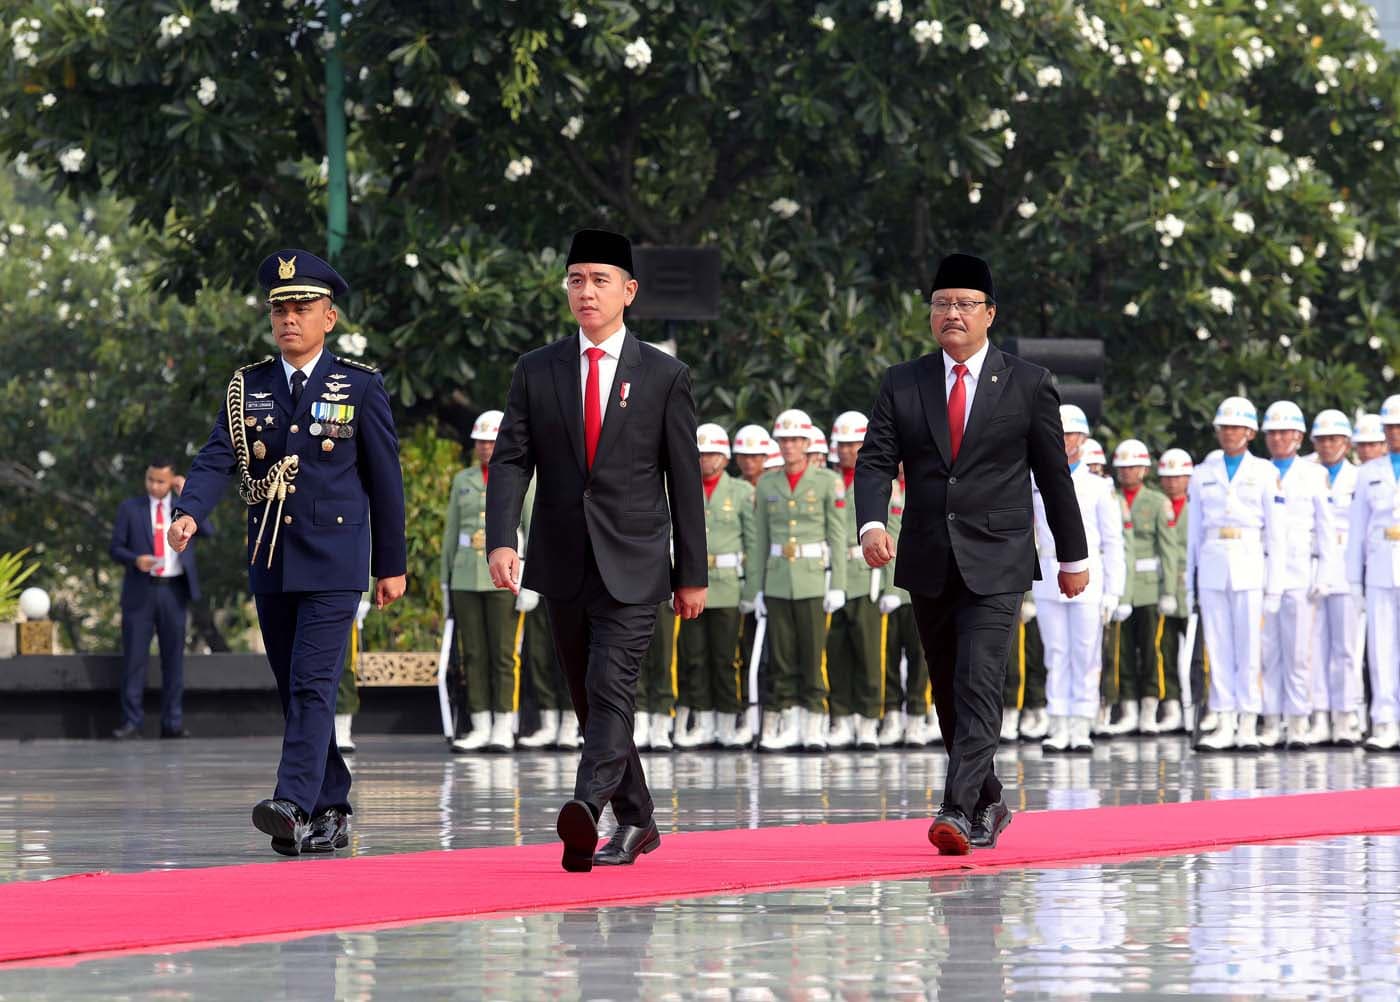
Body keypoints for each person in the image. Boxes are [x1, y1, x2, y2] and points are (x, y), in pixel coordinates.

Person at [169, 248, 407, 855]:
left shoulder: (358, 385)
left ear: (329, 317)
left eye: (301, 307)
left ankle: (292, 802)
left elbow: (386, 480)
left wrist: (391, 564)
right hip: (272, 558)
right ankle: (331, 807)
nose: (289, 319)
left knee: (311, 682)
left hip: (334, 561)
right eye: (280, 309)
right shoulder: (249, 385)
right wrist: (190, 510)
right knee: (296, 686)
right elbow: (219, 453)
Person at [485, 229, 707, 872]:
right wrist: (504, 537)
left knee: (611, 688)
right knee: (589, 696)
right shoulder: (537, 368)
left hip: (636, 563)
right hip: (560, 561)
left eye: (600, 280)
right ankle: (637, 820)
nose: (586, 291)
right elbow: (510, 461)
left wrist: (690, 573)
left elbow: (684, 480)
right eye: (576, 279)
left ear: (628, 292)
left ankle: (585, 810)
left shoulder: (665, 375)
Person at [855, 253, 1089, 855]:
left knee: (979, 681)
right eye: (941, 304)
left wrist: (1072, 556)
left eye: (964, 304)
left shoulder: (1028, 382)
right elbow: (878, 459)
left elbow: (1052, 476)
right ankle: (988, 800)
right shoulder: (902, 382)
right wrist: (872, 523)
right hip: (930, 555)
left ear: (989, 314)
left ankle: (956, 809)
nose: (951, 314)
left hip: (1000, 558)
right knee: (946, 689)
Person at [742, 408, 847, 752]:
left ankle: (814, 721)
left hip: (813, 578)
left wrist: (838, 585)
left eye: (794, 440)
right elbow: (758, 541)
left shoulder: (826, 482)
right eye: (783, 440)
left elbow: (837, 534)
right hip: (776, 580)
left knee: (813, 655)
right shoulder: (768, 483)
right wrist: (755, 588)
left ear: (806, 443)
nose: (788, 447)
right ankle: (785, 719)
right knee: (781, 657)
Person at [1187, 396, 1287, 752]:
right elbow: (1193, 536)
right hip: (1213, 565)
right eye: (1224, 427)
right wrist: (1190, 584)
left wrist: (1275, 586)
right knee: (1218, 646)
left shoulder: (1264, 472)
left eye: (1236, 428)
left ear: (1249, 432)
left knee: (1249, 648)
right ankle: (1225, 718)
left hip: (1249, 565)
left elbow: (1276, 535)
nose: (1229, 433)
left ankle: (1247, 720)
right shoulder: (1202, 473)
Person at [1033, 405, 1124, 754]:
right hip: (1047, 573)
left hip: (1089, 575)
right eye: (1060, 433)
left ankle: (1082, 722)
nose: (1065, 440)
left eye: (1072, 434)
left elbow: (1113, 541)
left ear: (1083, 440)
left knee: (1086, 653)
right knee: (1055, 653)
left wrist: (1114, 591)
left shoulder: (1099, 486)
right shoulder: (1035, 478)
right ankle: (1057, 721)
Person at [442, 410, 528, 753]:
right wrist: (446, 580)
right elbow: (451, 533)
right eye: (480, 441)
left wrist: (531, 580)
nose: (485, 448)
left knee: (504, 654)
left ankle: (504, 724)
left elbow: (534, 528)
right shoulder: (463, 480)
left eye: (491, 442)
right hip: (465, 574)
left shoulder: (522, 477)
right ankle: (480, 722)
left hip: (506, 577)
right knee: (473, 654)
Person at [1258, 401, 1335, 749]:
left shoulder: (1314, 474)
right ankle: (1272, 719)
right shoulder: (1259, 471)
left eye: (1285, 432)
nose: (1278, 439)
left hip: (1301, 572)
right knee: (1267, 650)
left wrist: (1325, 572)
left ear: (1300, 436)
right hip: (1263, 572)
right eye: (1272, 433)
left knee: (1300, 652)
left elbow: (1325, 528)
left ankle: (1299, 721)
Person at [109, 461, 203, 739]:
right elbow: (115, 548)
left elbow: (208, 530)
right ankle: (131, 722)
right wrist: (135, 559)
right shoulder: (130, 508)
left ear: (172, 480)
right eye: (150, 479)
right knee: (135, 657)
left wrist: (188, 496)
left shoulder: (183, 509)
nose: (154, 486)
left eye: (161, 481)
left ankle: (172, 723)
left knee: (173, 659)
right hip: (141, 590)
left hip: (174, 591)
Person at [675, 423, 755, 749]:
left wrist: (750, 589)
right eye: (700, 454)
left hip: (727, 586)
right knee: (693, 656)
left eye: (710, 454)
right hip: (692, 584)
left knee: (725, 658)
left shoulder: (740, 493)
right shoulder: (682, 488)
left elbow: (752, 543)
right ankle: (704, 720)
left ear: (724, 458)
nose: (704, 460)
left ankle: (727, 719)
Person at [825, 410, 899, 751]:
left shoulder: (878, 482)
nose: (847, 451)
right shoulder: (829, 481)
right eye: (842, 445)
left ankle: (870, 718)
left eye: (854, 444)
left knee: (871, 656)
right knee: (836, 653)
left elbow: (892, 536)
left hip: (868, 577)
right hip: (832, 579)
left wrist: (892, 587)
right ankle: (841, 716)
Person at [1107, 439, 1177, 735]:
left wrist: (1169, 591)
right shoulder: (1110, 497)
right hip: (1122, 587)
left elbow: (1169, 548)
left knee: (1151, 652)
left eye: (1133, 466)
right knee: (1121, 653)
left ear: (1145, 469)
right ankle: (1128, 709)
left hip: (1149, 589)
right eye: (1122, 467)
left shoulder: (1157, 501)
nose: (1127, 472)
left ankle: (1150, 708)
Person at [1346, 394, 1400, 751]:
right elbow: (1356, 529)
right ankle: (1384, 722)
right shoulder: (1368, 472)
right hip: (1380, 563)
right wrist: (1353, 578)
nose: (1395, 432)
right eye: (1390, 427)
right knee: (1381, 648)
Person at [1307, 409, 1364, 747]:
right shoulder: (1304, 473)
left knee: (1345, 647)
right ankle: (1319, 716)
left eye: (1334, 439)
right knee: (1312, 647)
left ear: (1346, 442)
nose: (1328, 445)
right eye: (1322, 439)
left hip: (1343, 566)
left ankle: (1345, 715)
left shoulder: (1359, 478)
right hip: (1311, 564)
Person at [880, 463, 935, 747]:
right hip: (888, 588)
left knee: (922, 657)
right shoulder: (884, 488)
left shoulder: (930, 482)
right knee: (887, 657)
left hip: (922, 584)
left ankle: (916, 717)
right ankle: (890, 715)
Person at [1154, 448, 1193, 734]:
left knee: (1196, 654)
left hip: (1191, 585)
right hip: (1163, 587)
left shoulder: (1197, 503)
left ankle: (1197, 707)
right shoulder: (1155, 504)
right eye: (1166, 477)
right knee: (1164, 651)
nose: (1171, 482)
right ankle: (1171, 706)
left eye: (1177, 476)